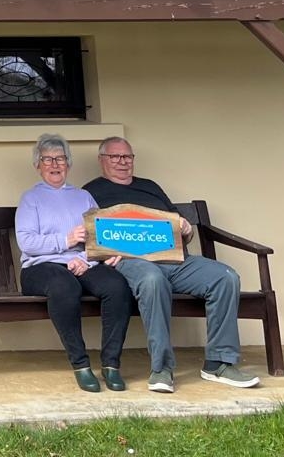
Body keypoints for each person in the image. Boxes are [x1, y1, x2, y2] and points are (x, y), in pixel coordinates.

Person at [83, 136, 260, 393]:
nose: (122, 161)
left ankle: (219, 363)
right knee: (153, 281)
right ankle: (162, 368)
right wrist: (103, 253)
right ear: (102, 160)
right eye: (115, 156)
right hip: (131, 262)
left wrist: (186, 229)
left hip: (173, 260)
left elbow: (175, 227)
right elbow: (88, 235)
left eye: (127, 156)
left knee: (225, 277)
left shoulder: (150, 187)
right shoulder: (90, 191)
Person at [14, 133, 132, 393]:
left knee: (116, 286)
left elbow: (100, 237)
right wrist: (65, 240)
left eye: (60, 158)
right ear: (38, 165)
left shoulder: (83, 197)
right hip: (40, 267)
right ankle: (81, 365)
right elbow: (27, 243)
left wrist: (83, 259)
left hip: (81, 263)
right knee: (65, 286)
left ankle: (111, 364)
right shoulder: (30, 198)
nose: (55, 164)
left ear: (68, 163)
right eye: (47, 159)